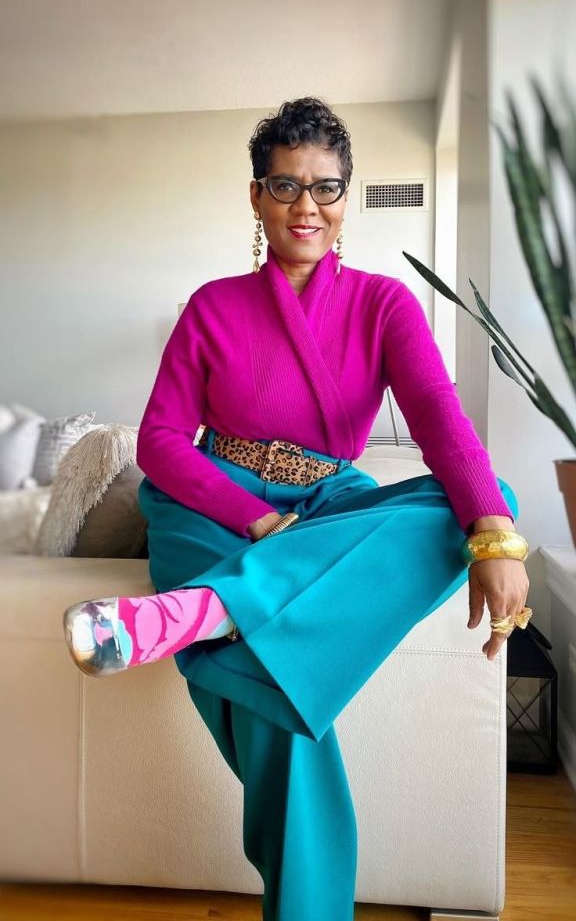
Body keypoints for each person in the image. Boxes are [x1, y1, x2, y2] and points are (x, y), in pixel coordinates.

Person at [63, 96, 532, 921]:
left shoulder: (385, 304)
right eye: (285, 185)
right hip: (211, 504)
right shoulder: (212, 306)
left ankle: (202, 611)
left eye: (326, 186)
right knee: (277, 684)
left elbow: (438, 416)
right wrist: (251, 518)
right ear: (256, 195)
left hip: (325, 502)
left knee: (491, 503)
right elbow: (162, 440)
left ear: (347, 195)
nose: (306, 206)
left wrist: (495, 538)